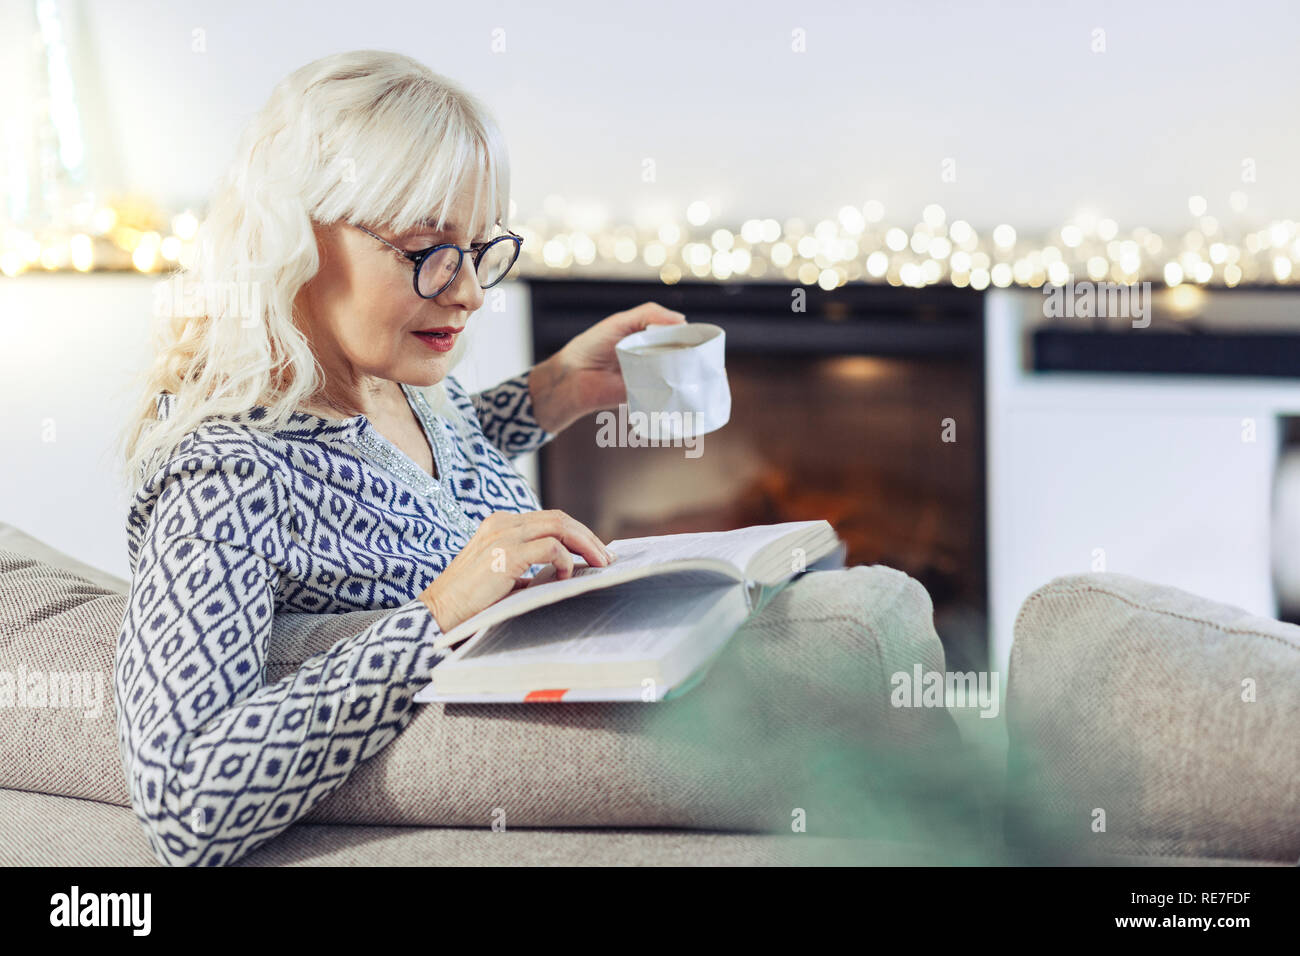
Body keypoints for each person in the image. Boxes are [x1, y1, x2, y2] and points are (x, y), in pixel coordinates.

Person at [113, 49, 685, 866]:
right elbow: (184, 799)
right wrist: (437, 617)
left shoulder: (396, 386)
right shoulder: (226, 475)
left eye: (481, 249)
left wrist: (558, 390)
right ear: (298, 239)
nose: (471, 292)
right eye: (428, 249)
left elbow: (410, 488)